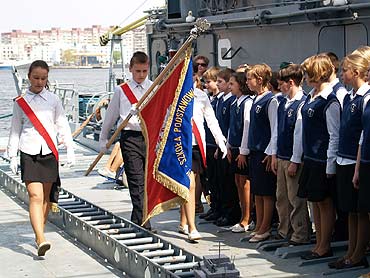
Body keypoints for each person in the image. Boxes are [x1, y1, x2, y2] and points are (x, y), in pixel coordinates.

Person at [7, 60, 75, 256]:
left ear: (47, 79)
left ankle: (39, 234)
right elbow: (15, 129)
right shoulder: (21, 102)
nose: (39, 82)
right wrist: (12, 155)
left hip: (49, 153)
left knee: (45, 198)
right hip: (29, 152)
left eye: (43, 78)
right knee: (35, 196)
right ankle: (41, 239)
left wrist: (69, 149)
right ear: (29, 77)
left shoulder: (53, 100)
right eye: (36, 78)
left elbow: (61, 124)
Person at [99, 51, 153, 229]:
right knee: (136, 178)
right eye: (138, 71)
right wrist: (103, 139)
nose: (141, 75)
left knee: (147, 180)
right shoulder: (121, 90)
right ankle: (144, 221)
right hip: (129, 138)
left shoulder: (153, 88)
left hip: (149, 137)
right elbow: (111, 116)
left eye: (144, 71)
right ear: (131, 69)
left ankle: (138, 217)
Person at [329, 53, 370, 269]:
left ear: (356, 72)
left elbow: (363, 134)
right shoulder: (350, 97)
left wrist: (358, 165)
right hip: (344, 159)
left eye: (344, 70)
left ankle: (358, 254)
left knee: (360, 210)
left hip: (357, 161)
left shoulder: (365, 98)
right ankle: (351, 251)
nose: (341, 74)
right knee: (350, 210)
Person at [298, 55, 340, 260]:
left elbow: (334, 135)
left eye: (307, 73)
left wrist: (330, 166)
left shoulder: (329, 101)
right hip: (311, 158)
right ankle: (318, 242)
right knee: (314, 201)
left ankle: (325, 245)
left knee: (325, 203)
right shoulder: (311, 96)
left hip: (322, 159)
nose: (305, 78)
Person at [178, 72, 227, 241]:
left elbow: (211, 119)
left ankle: (183, 220)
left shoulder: (200, 96)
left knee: (191, 184)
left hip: (195, 144)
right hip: (179, 144)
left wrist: (220, 140)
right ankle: (191, 226)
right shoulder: (173, 95)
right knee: (188, 184)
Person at [272, 64, 310, 245]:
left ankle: (300, 233)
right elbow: (277, 131)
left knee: (296, 198)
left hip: (293, 158)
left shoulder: (301, 103)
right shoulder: (282, 103)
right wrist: (274, 155)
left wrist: (295, 160)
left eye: (281, 84)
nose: (279, 88)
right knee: (282, 197)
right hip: (281, 156)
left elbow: (299, 134)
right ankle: (284, 229)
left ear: (291, 82)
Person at [246, 64, 278, 243]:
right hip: (255, 151)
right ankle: (258, 224)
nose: (247, 82)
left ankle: (265, 226)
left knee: (266, 192)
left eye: (250, 78)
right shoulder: (256, 99)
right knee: (257, 192)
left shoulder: (270, 101)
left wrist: (271, 151)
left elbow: (274, 128)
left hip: (264, 152)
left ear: (259, 80)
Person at [226, 72, 255, 233]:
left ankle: (247, 218)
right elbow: (232, 127)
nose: (230, 87)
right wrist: (229, 145)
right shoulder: (234, 103)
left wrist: (243, 151)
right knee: (238, 182)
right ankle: (242, 215)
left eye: (232, 84)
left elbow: (246, 127)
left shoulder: (247, 103)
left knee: (245, 184)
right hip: (235, 147)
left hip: (243, 150)